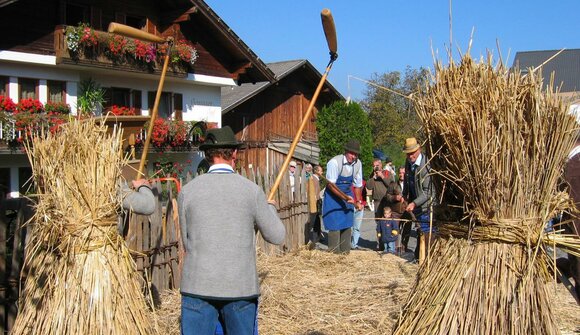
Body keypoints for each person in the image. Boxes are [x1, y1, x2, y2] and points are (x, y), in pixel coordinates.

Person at [178, 126, 285, 335]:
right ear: (234, 153)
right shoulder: (251, 191)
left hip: (197, 286)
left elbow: (186, 239)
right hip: (239, 288)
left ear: (207, 155)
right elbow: (277, 235)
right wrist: (270, 208)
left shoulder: (188, 192)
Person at [322, 139, 364, 254]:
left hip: (348, 196)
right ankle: (334, 254)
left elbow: (358, 185)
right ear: (346, 151)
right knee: (335, 225)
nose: (353, 156)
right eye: (351, 153)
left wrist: (358, 200)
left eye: (356, 154)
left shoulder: (358, 164)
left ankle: (345, 253)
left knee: (347, 224)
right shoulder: (334, 162)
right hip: (333, 197)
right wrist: (345, 198)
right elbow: (331, 186)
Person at [402, 137, 435, 261]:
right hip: (416, 205)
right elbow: (407, 181)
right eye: (408, 154)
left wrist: (414, 203)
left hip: (427, 207)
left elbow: (428, 192)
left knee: (426, 234)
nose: (410, 156)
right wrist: (404, 195)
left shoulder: (425, 166)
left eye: (412, 153)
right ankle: (420, 257)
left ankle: (427, 260)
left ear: (419, 149)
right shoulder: (408, 163)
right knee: (419, 233)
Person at [306, 164, 323, 248]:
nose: (322, 172)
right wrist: (316, 200)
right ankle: (313, 238)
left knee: (317, 219)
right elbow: (313, 191)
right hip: (314, 202)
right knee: (313, 220)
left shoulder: (316, 179)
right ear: (316, 171)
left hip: (316, 201)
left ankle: (317, 236)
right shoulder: (313, 179)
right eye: (320, 171)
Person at [351, 180, 367, 250]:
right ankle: (345, 244)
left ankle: (354, 244)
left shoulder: (363, 182)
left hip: (360, 207)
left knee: (357, 227)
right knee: (348, 227)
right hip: (351, 205)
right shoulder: (350, 182)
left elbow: (364, 195)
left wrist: (363, 204)